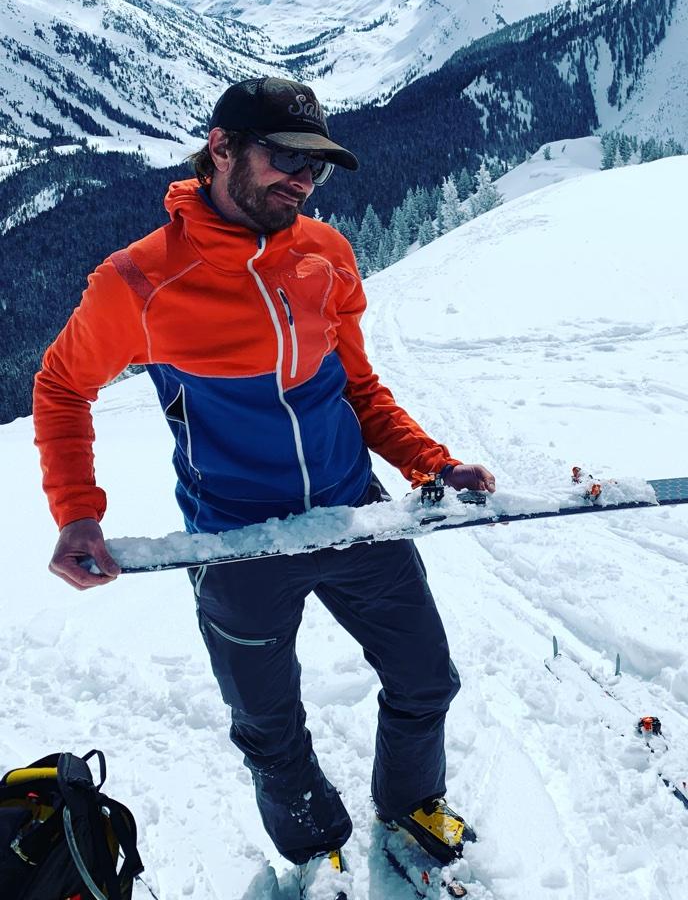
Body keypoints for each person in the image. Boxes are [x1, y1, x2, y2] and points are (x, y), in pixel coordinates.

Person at [33, 76, 495, 873]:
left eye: (315, 168)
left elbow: (357, 387)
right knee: (268, 727)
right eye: (285, 159)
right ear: (222, 148)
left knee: (427, 681)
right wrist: (76, 512)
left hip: (355, 514)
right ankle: (318, 851)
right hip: (236, 539)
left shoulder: (326, 256)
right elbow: (61, 385)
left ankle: (411, 802)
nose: (302, 182)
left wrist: (433, 462)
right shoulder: (139, 283)